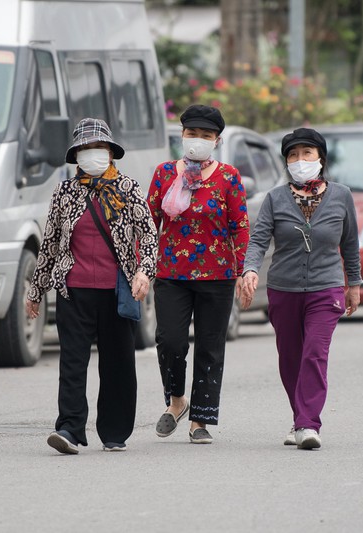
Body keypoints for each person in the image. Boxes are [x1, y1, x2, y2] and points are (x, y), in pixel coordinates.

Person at [25, 118, 158, 454]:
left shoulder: (127, 188)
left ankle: (114, 430)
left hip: (118, 291)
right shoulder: (65, 192)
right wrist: (36, 290)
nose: (92, 154)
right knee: (72, 361)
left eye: (98, 148)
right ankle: (69, 429)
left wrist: (144, 271)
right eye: (85, 149)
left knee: (117, 363)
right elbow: (51, 243)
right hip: (74, 290)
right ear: (76, 155)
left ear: (110, 153)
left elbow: (150, 235)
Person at [240, 127, 362, 450]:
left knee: (314, 353)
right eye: (293, 155)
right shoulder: (275, 199)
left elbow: (350, 243)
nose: (300, 160)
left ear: (320, 158)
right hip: (284, 290)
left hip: (327, 289)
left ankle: (309, 424)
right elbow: (258, 239)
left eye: (307, 153)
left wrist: (354, 283)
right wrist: (250, 270)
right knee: (290, 358)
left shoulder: (341, 196)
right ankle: (299, 418)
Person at [147, 104, 249, 444]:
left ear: (216, 140)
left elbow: (241, 228)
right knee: (170, 341)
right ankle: (177, 401)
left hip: (218, 276)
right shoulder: (164, 174)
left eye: (206, 136)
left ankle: (200, 421)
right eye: (193, 134)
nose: (198, 140)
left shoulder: (229, 177)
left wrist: (244, 271)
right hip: (172, 274)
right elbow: (149, 226)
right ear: (182, 135)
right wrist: (142, 269)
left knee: (210, 346)